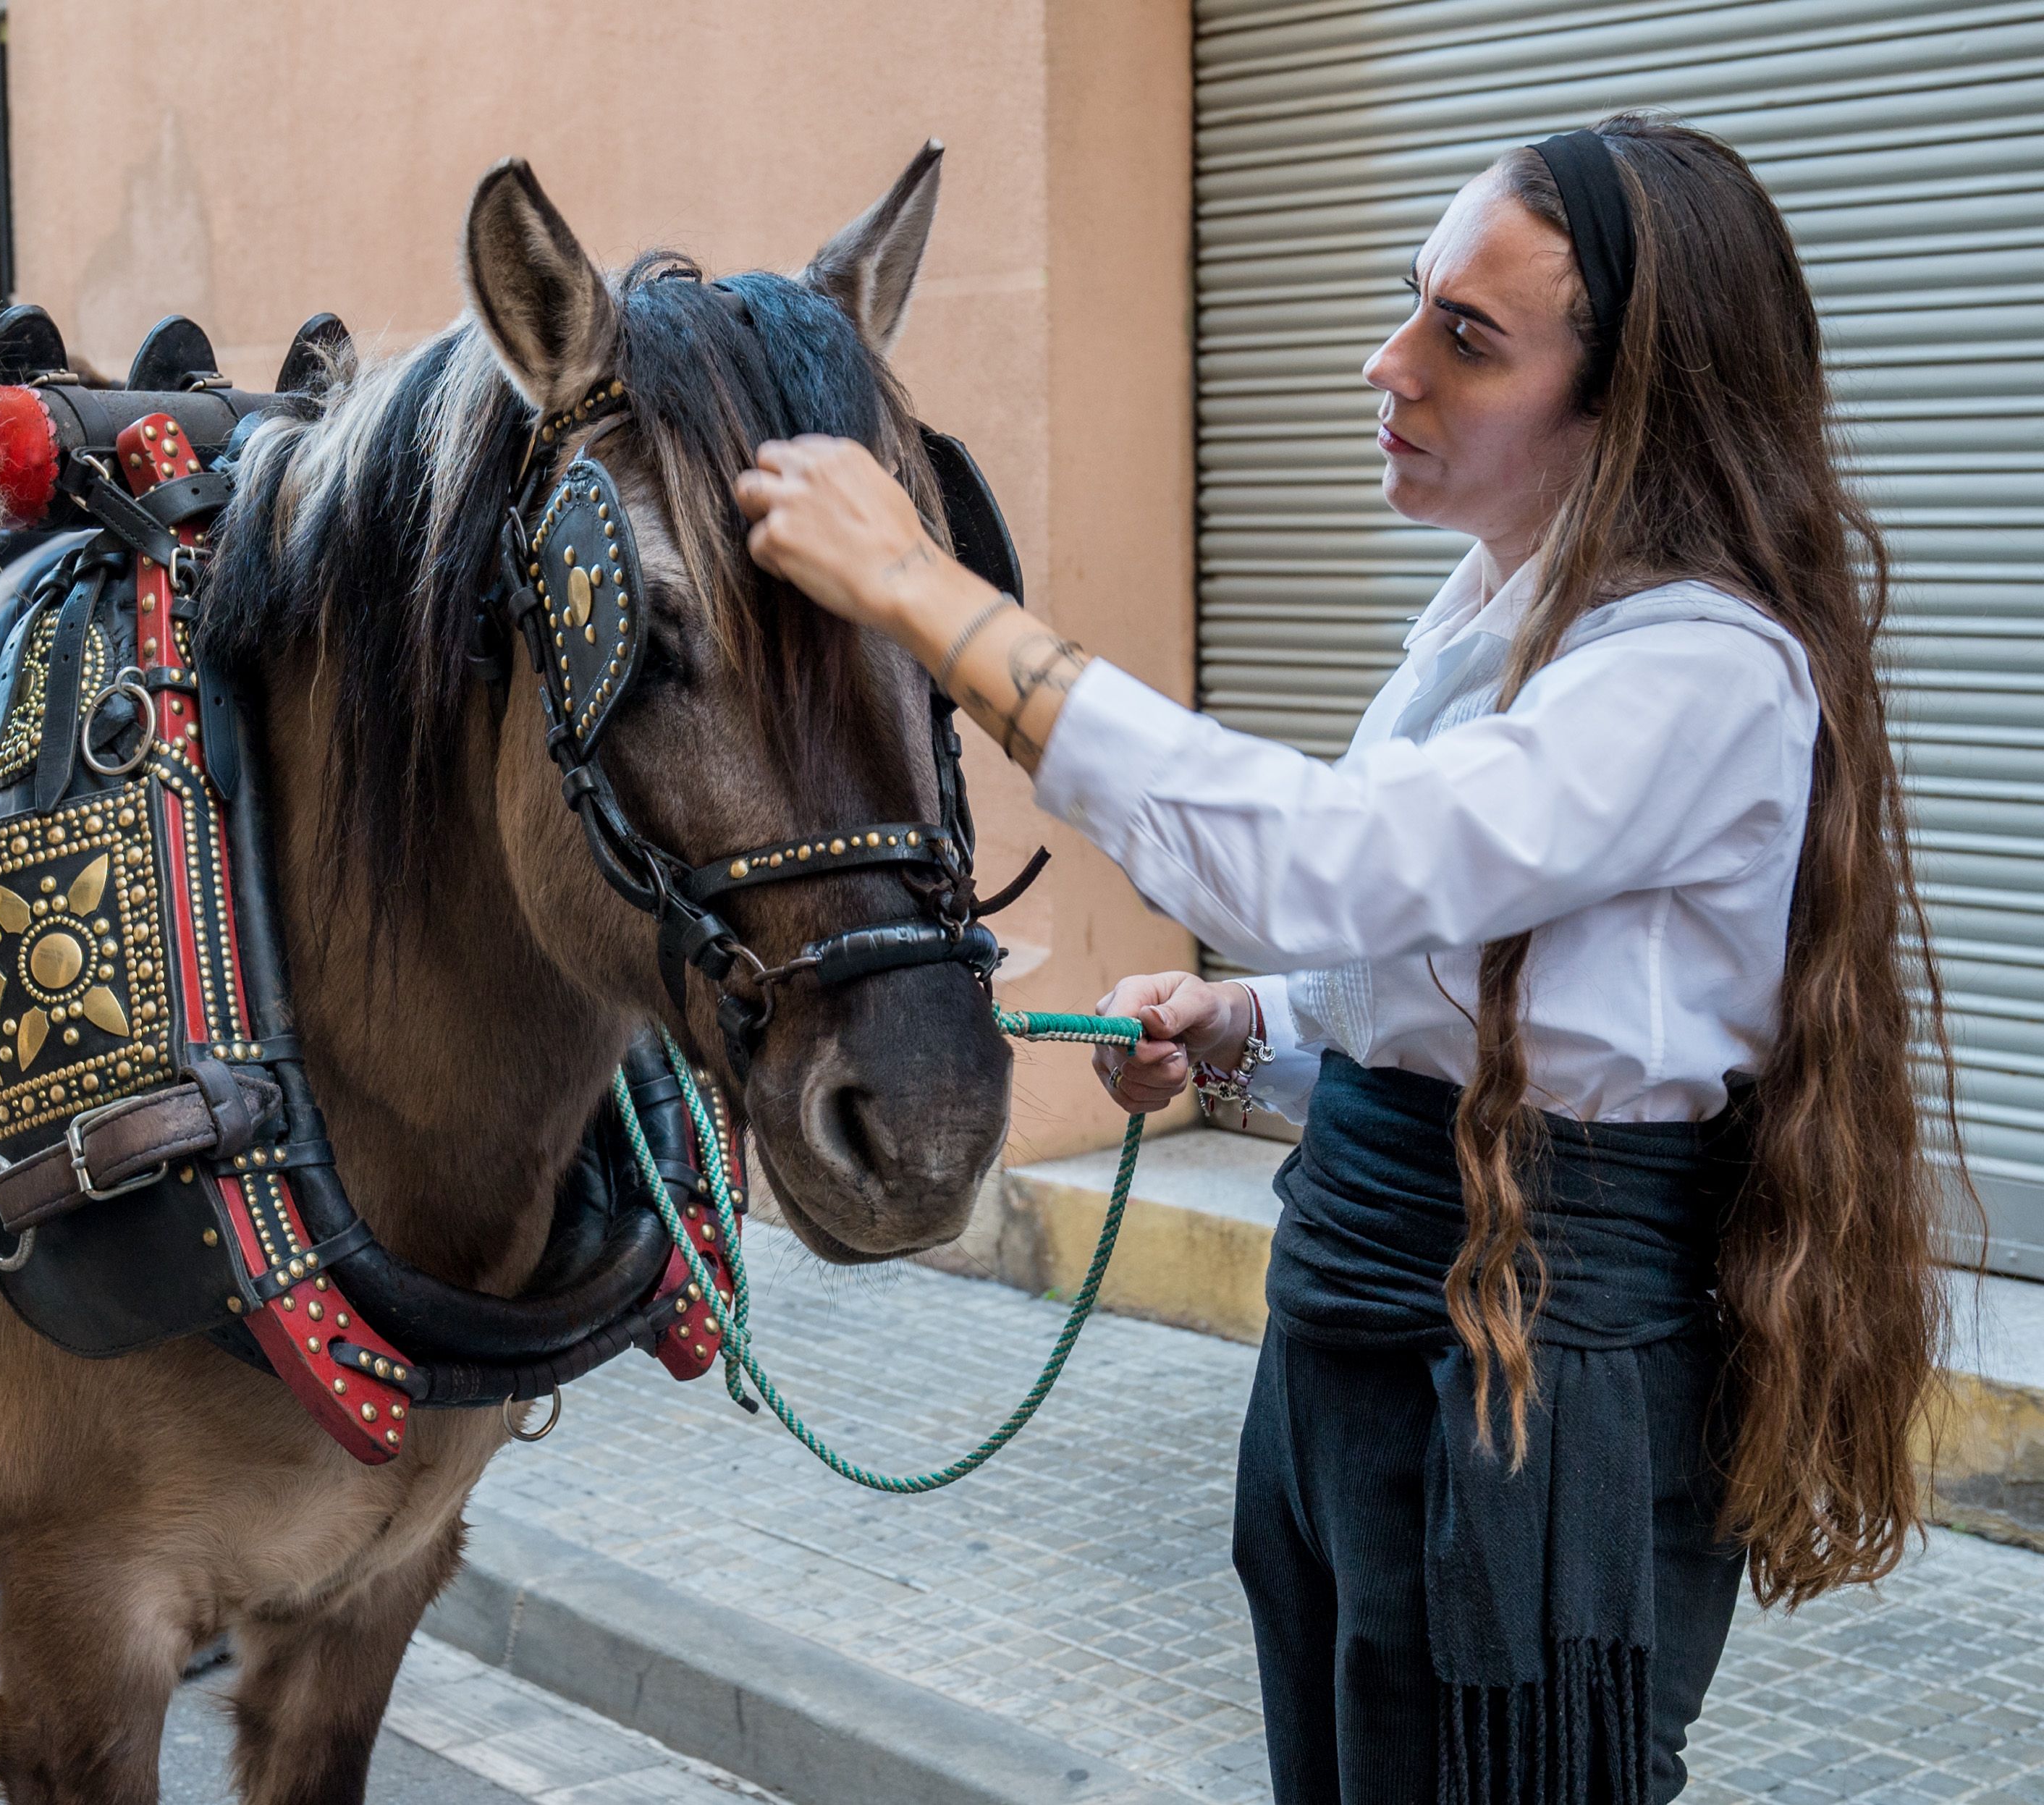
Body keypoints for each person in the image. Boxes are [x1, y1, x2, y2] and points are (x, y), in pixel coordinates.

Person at [732, 113, 1952, 1804]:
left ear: (1639, 403)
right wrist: (1251, 1022)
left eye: (1465, 338)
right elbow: (1435, 979)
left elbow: (1341, 861)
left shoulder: (1701, 668)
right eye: (1408, 306)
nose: (1386, 366)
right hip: (1355, 1309)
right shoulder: (1490, 612)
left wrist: (925, 598)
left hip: (1524, 1361)